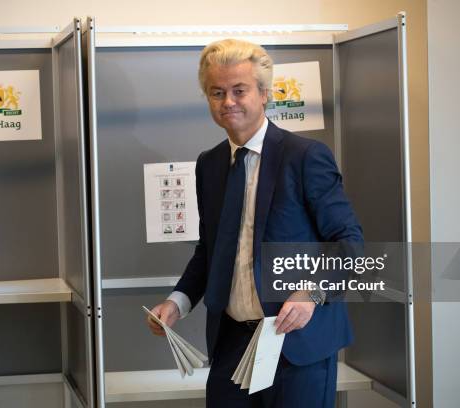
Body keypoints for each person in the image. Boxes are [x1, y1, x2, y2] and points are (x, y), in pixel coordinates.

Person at [147, 38, 363, 408]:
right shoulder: (209, 164)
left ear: (264, 94)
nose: (228, 101)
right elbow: (210, 250)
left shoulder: (306, 157)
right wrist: (177, 301)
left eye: (239, 90)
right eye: (217, 92)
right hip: (232, 344)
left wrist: (311, 294)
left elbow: (350, 244)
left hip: (298, 344)